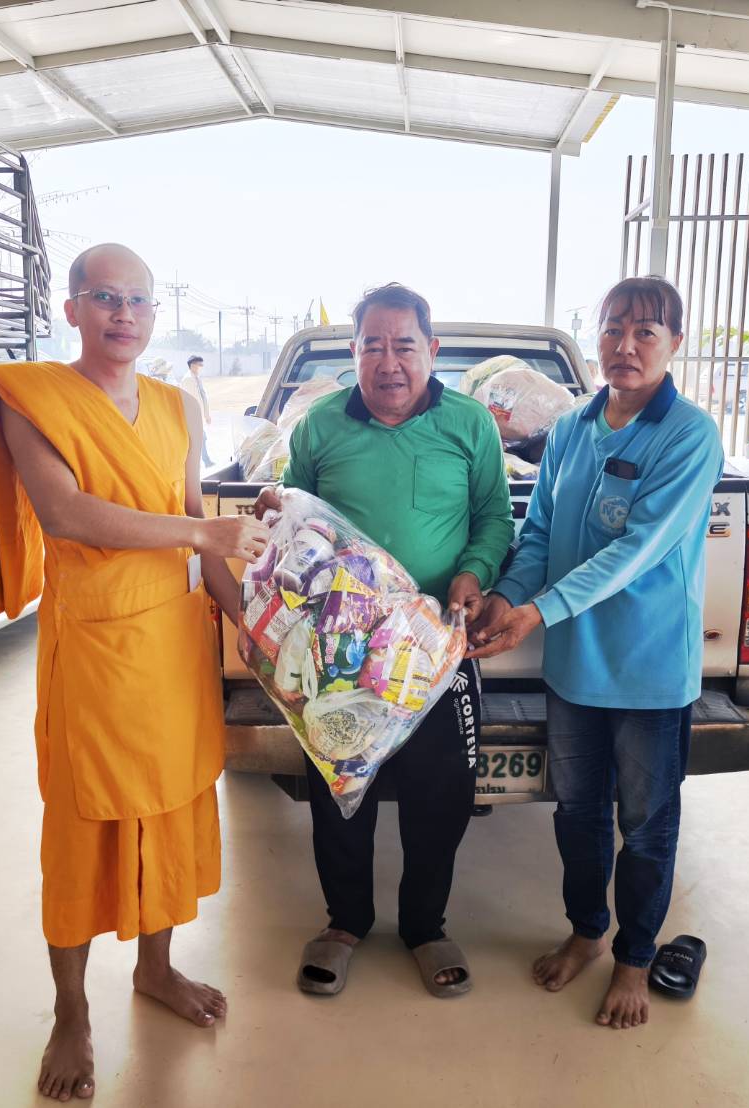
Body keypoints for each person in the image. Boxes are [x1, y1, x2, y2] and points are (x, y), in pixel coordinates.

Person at [0, 243, 269, 1102]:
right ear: (72, 308)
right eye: (105, 296)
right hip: (96, 648)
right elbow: (64, 514)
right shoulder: (36, 399)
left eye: (138, 299)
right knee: (85, 818)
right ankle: (70, 1009)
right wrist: (201, 537)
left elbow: (191, 518)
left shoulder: (176, 405)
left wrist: (245, 618)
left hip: (171, 645)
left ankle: (156, 969)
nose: (124, 313)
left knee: (173, 805)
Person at [469, 275, 722, 1030]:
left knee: (644, 822)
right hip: (573, 668)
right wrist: (507, 597)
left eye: (646, 331)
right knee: (577, 812)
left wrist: (536, 610)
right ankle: (586, 929)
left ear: (675, 342)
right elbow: (540, 532)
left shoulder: (688, 435)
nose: (625, 346)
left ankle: (635, 958)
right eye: (613, 329)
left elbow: (638, 551)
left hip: (646, 672)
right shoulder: (575, 429)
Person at [254, 283, 513, 998]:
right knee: (339, 787)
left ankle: (425, 926)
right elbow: (295, 516)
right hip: (340, 648)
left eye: (404, 345)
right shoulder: (318, 428)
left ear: (431, 351)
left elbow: (494, 518)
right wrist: (276, 508)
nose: (389, 361)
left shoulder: (468, 424)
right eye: (373, 345)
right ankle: (344, 922)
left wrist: (472, 573)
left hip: (435, 645)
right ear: (354, 352)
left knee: (444, 792)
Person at [181, 354, 214, 465]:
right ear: (193, 365)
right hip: (192, 415)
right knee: (199, 438)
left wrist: (206, 414)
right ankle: (204, 462)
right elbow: (191, 401)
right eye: (199, 365)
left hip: (198, 415)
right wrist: (197, 416)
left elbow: (203, 397)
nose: (201, 367)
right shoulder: (188, 380)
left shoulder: (196, 378)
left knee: (200, 438)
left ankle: (203, 461)